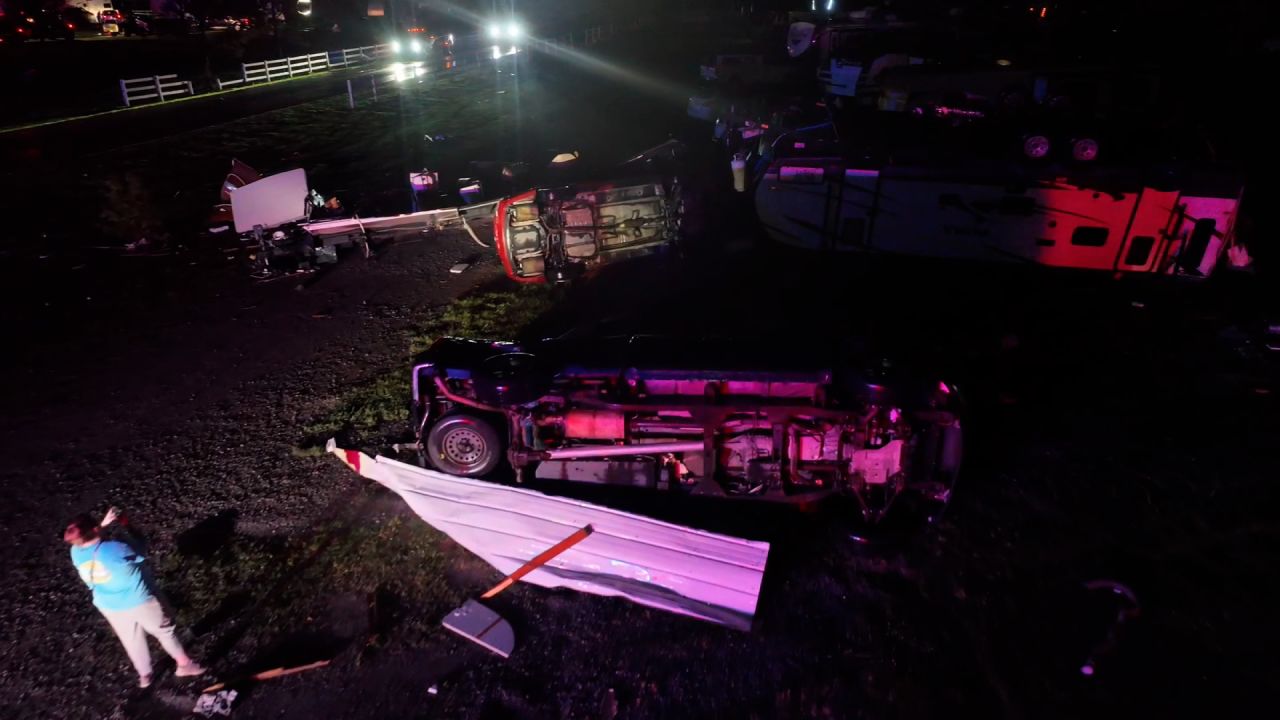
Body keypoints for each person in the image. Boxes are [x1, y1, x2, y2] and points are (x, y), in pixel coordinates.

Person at [64, 509, 205, 688]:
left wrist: (103, 525)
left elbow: (90, 540)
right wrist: (126, 523)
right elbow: (141, 547)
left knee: (131, 639)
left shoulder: (75, 551)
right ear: (94, 529)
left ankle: (145, 676)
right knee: (164, 630)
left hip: (109, 605)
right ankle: (184, 665)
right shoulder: (117, 548)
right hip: (139, 600)